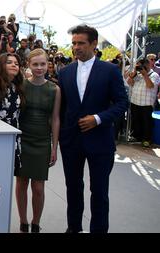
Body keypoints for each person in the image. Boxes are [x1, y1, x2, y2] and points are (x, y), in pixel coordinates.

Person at [58, 25, 128, 233]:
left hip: (100, 140)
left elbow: (122, 103)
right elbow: (62, 109)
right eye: (74, 43)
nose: (76, 47)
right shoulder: (65, 72)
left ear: (94, 44)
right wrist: (61, 136)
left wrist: (98, 119)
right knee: (73, 189)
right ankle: (73, 228)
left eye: (81, 43)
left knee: (99, 191)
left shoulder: (110, 70)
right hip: (71, 141)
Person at [16, 49, 61, 233]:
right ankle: (23, 222)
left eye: (43, 64)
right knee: (21, 183)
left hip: (42, 141)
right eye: (35, 64)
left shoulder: (54, 89)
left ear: (48, 64)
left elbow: (55, 118)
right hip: (22, 140)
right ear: (28, 64)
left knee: (38, 188)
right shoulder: (21, 86)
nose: (39, 68)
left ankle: (36, 222)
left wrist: (54, 147)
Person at [0, 52, 24, 192]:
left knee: (6, 182)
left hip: (13, 138)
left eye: (16, 63)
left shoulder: (17, 87)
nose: (14, 65)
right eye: (9, 62)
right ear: (0, 65)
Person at [126, 58, 160, 147]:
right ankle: (137, 137)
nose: (140, 68)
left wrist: (145, 75)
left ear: (147, 65)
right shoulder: (137, 74)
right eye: (138, 66)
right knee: (136, 122)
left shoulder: (154, 75)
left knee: (147, 123)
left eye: (141, 66)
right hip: (135, 102)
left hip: (146, 104)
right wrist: (132, 75)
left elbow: (150, 86)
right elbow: (129, 83)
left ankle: (147, 140)